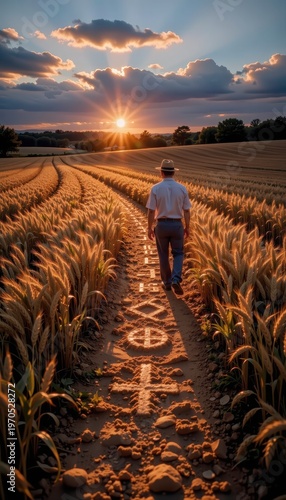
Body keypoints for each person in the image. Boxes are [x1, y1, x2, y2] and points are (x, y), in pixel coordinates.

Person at [146, 159, 191, 295]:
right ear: (173, 173)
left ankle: (167, 283)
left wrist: (149, 227)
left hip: (162, 225)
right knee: (178, 253)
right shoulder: (182, 188)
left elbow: (151, 211)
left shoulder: (155, 188)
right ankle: (176, 279)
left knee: (163, 254)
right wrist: (187, 227)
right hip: (177, 225)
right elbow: (187, 210)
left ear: (161, 173)